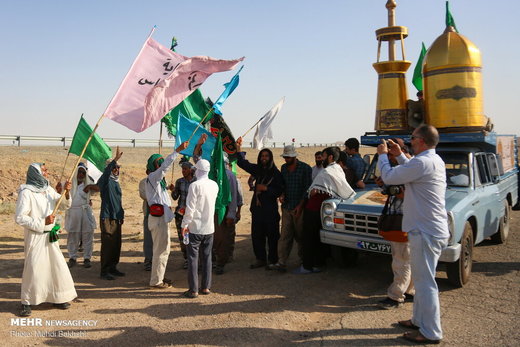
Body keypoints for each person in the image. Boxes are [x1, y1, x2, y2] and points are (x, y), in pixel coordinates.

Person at [377, 124, 449, 344]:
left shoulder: (423, 161)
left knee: (426, 284)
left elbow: (389, 177)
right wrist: (399, 156)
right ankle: (418, 320)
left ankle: (431, 332)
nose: (410, 140)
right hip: (427, 229)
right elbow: (411, 169)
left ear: (422, 141)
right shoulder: (430, 160)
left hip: (425, 231)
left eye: (413, 137)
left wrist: (382, 156)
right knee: (421, 279)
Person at [15, 163, 76, 317]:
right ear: (36, 173)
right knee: (34, 269)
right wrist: (43, 222)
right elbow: (20, 218)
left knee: (55, 266)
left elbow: (63, 204)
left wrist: (67, 192)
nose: (47, 172)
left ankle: (58, 297)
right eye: (44, 170)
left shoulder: (47, 189)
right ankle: (26, 302)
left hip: (50, 235)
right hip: (35, 235)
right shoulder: (26, 192)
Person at [293, 147, 355, 274]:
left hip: (315, 210)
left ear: (331, 157)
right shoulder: (338, 169)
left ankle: (307, 266)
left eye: (324, 156)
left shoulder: (327, 172)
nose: (321, 158)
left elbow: (314, 191)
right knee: (318, 238)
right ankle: (318, 264)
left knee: (309, 239)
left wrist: (312, 192)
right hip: (324, 211)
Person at [375, 138, 415, 310]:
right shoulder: (413, 167)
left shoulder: (406, 168)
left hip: (402, 220)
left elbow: (404, 192)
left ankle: (395, 295)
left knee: (400, 260)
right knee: (408, 258)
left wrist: (382, 157)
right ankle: (410, 290)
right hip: (408, 220)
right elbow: (391, 189)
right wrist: (384, 184)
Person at [145, 141, 189, 289]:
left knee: (163, 250)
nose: (161, 165)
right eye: (159, 163)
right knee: (160, 251)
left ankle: (159, 277)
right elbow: (165, 168)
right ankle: (156, 281)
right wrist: (177, 150)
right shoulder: (152, 177)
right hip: (158, 221)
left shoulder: (159, 183)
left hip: (162, 220)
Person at [236, 137, 283, 269]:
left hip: (270, 210)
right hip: (257, 210)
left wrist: (267, 188)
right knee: (257, 235)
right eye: (262, 155)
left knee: (273, 236)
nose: (264, 158)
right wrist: (239, 148)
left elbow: (280, 190)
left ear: (270, 157)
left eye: (266, 156)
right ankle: (260, 259)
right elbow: (243, 163)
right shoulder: (257, 170)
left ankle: (273, 260)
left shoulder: (276, 173)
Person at [181, 159, 219, 298]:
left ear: (197, 170)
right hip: (209, 227)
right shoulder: (214, 185)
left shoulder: (194, 186)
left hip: (195, 228)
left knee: (193, 259)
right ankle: (206, 287)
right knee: (207, 258)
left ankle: (193, 290)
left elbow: (190, 208)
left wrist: (184, 225)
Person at [273, 145, 312, 272]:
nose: (286, 159)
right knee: (285, 235)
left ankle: (303, 261)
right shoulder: (283, 168)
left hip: (299, 207)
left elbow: (307, 189)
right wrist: (282, 194)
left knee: (301, 235)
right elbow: (282, 185)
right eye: (285, 157)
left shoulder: (305, 168)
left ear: (294, 156)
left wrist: (300, 207)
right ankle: (282, 262)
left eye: (288, 157)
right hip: (286, 207)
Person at [97, 146, 125, 281]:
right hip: (107, 217)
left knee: (116, 243)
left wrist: (122, 215)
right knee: (108, 244)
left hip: (116, 217)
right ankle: (105, 270)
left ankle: (113, 267)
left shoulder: (116, 183)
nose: (116, 169)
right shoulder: (106, 181)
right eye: (114, 167)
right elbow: (105, 174)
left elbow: (118, 201)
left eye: (118, 167)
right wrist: (114, 160)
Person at [65, 162, 99, 269]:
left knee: (87, 235)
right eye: (79, 172)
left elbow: (98, 188)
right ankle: (72, 257)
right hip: (73, 212)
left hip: (85, 212)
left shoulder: (88, 183)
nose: (80, 174)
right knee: (73, 235)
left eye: (83, 173)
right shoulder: (70, 184)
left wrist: (88, 187)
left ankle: (87, 258)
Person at [214, 153, 243, 275]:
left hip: (224, 210)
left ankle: (221, 262)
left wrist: (231, 214)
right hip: (214, 211)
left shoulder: (229, 176)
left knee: (223, 238)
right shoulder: (214, 175)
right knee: (215, 237)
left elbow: (234, 197)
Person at [170, 161, 196, 270]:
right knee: (184, 237)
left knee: (193, 236)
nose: (183, 171)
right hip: (181, 215)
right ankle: (186, 258)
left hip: (192, 215)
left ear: (190, 170)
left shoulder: (196, 182)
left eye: (185, 169)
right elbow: (175, 197)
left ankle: (194, 258)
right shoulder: (179, 182)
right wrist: (173, 190)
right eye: (182, 169)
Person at [138, 173, 153, 271]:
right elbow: (145, 196)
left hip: (161, 215)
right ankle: (148, 259)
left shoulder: (162, 181)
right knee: (148, 238)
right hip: (149, 214)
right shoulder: (144, 182)